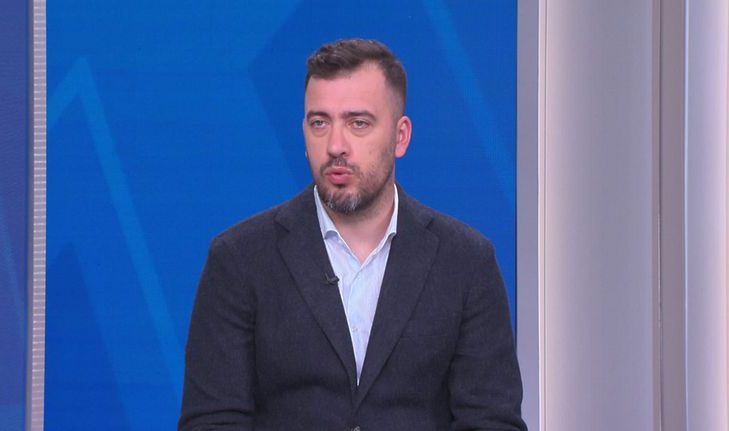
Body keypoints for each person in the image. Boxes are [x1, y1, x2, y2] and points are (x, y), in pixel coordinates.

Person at [178, 38, 526, 431]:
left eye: (358, 123)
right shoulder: (240, 259)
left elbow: (491, 421)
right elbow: (212, 422)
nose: (335, 146)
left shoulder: (465, 261)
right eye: (319, 123)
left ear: (400, 136)